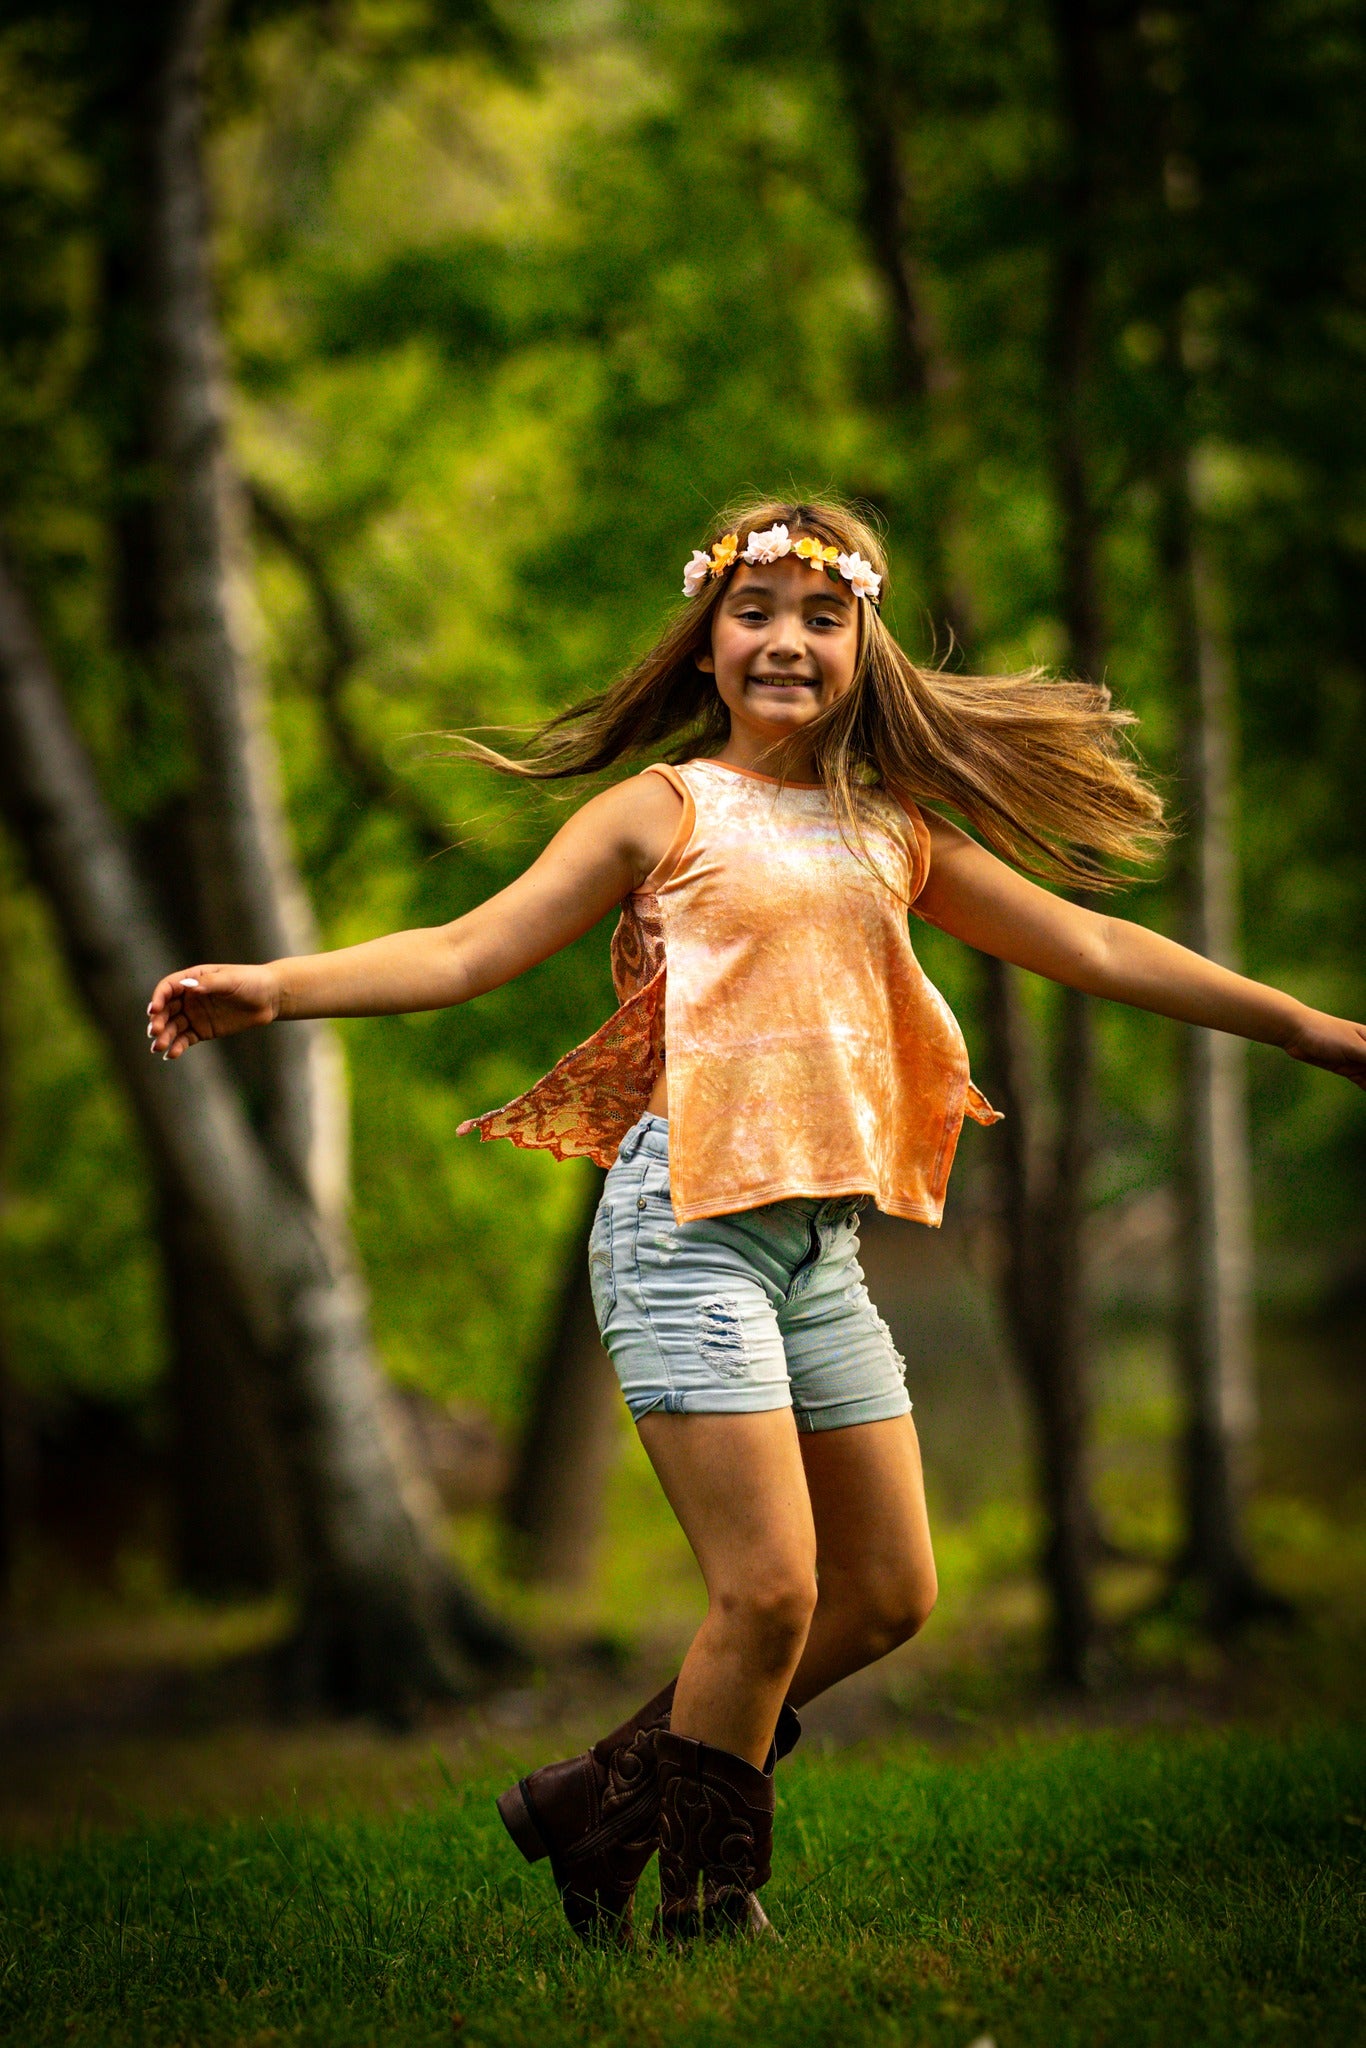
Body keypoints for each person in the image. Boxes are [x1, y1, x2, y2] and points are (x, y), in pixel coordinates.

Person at [147, 497, 1366, 1947]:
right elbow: (466, 950)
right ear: (706, 642)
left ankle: (599, 1804)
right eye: (755, 613)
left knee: (887, 1593)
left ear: (862, 648)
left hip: (817, 1252)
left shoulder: (893, 830)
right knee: (772, 1590)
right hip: (685, 1230)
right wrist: (275, 987)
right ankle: (709, 1905)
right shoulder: (661, 811)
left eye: (821, 617)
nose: (786, 640)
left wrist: (1310, 1028)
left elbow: (1094, 943)